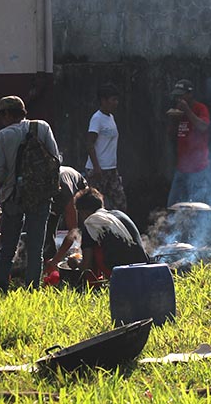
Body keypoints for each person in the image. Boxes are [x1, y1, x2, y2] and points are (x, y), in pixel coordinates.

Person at [0, 95, 61, 291]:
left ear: (6, 114)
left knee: (8, 248)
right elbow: (55, 159)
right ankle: (33, 289)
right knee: (36, 247)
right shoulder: (42, 127)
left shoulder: (3, 136)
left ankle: (1, 287)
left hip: (13, 196)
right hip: (41, 194)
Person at [74, 187, 148, 280]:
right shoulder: (119, 214)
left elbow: (86, 267)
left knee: (94, 250)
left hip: (121, 273)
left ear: (84, 212)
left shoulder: (90, 222)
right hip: (144, 268)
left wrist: (75, 263)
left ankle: (100, 282)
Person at [166, 79, 211, 207]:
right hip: (182, 168)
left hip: (198, 169)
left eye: (182, 95)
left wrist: (187, 111)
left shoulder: (200, 108)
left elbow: (203, 126)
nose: (179, 99)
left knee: (198, 207)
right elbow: (171, 136)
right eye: (177, 96)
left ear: (190, 94)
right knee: (173, 206)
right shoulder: (178, 111)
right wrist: (173, 120)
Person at [85, 83, 127, 211]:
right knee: (96, 206)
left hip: (111, 170)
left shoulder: (111, 118)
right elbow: (89, 143)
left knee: (120, 203)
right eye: (113, 99)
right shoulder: (97, 119)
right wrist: (97, 167)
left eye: (117, 99)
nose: (116, 103)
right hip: (98, 170)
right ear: (103, 100)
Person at [44, 166, 87, 272]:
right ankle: (47, 261)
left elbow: (73, 231)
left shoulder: (65, 194)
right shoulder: (39, 190)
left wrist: (56, 260)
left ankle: (86, 262)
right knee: (48, 230)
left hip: (79, 188)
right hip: (54, 196)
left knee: (85, 227)